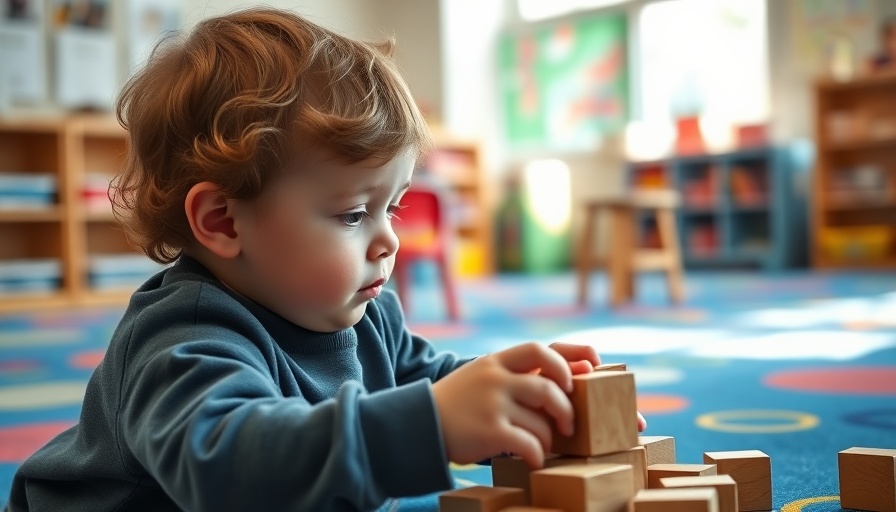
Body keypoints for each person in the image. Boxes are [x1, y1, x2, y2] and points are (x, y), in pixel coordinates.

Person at [6, 7, 645, 512]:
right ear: (224, 221)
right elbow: (226, 468)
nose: (388, 240)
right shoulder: (183, 337)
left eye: (392, 207)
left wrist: (518, 393)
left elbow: (423, 378)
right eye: (351, 214)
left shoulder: (361, 313)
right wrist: (435, 426)